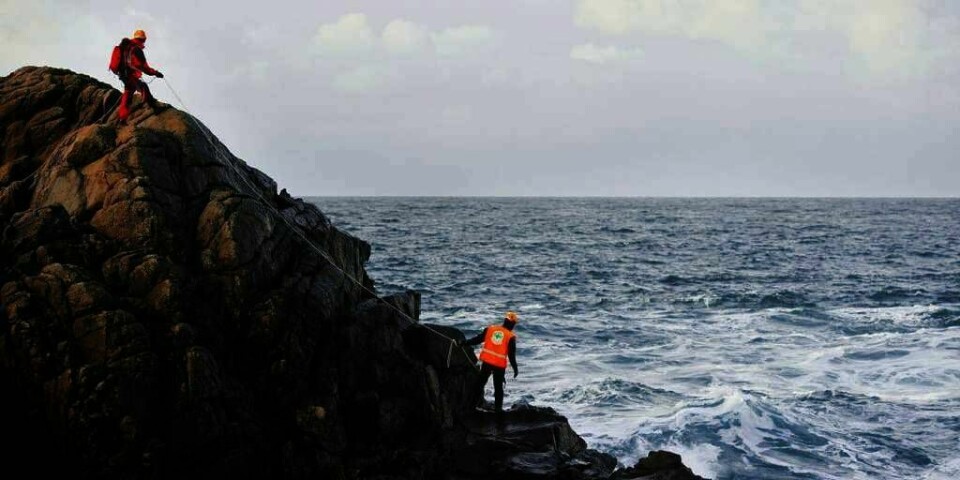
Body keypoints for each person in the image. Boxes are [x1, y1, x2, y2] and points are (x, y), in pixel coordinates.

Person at [459, 311, 519, 413]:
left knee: (480, 384)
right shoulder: (510, 337)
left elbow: (477, 340)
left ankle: (472, 406)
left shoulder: (491, 329)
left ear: (504, 321)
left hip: (487, 362)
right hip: (499, 365)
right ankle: (498, 409)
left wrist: (464, 343)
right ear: (513, 324)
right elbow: (511, 356)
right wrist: (515, 369)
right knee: (498, 388)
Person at [117, 29, 164, 122]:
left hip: (123, 76)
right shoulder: (136, 49)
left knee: (127, 95)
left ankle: (122, 117)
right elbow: (144, 67)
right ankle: (155, 108)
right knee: (143, 87)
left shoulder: (125, 47)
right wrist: (156, 73)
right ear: (143, 39)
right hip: (131, 75)